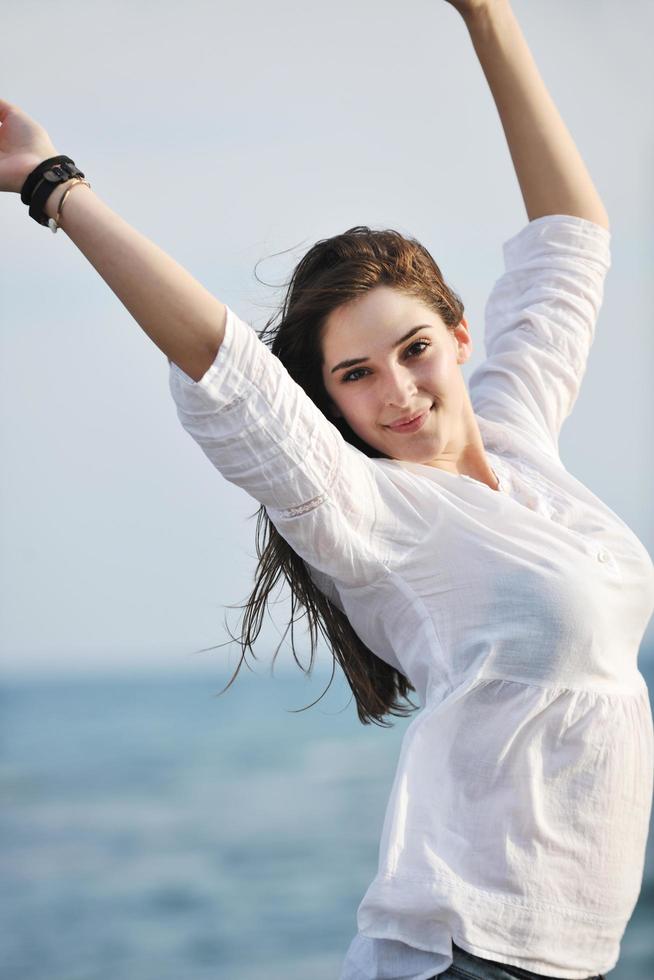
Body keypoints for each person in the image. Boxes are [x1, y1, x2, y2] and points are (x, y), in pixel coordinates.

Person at [1, 0, 651, 978]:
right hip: (460, 958)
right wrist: (55, 185)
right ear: (332, 404)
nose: (397, 391)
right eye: (355, 374)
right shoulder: (374, 515)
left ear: (459, 337)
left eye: (414, 349)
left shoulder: (519, 437)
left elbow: (571, 236)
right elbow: (222, 360)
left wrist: (487, 16)